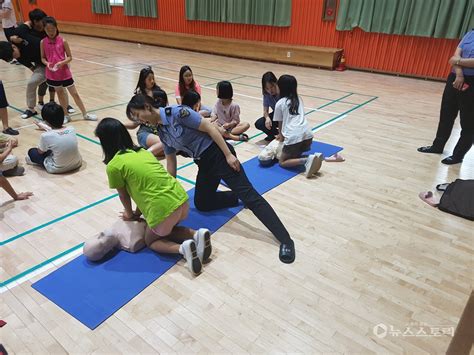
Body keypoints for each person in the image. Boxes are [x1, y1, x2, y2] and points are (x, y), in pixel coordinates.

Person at [126, 91, 296, 263]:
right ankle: (237, 195)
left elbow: (210, 128)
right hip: (204, 163)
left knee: (251, 198)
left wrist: (229, 155)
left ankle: (286, 240)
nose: (140, 121)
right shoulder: (162, 132)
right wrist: (168, 191)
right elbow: (171, 165)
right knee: (202, 203)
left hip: (219, 155)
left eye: (139, 115)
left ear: (147, 107)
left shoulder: (177, 113)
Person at [95, 117, 212, 275]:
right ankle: (197, 234)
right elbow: (144, 189)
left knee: (152, 240)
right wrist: (138, 212)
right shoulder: (143, 152)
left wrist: (130, 214)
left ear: (105, 142)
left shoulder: (114, 165)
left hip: (163, 209)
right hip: (181, 200)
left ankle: (183, 249)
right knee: (167, 228)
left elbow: (124, 196)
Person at [417, 29, 474, 165]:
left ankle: (458, 156)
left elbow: (456, 59)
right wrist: (459, 73)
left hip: (472, 82)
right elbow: (456, 54)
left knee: (468, 122)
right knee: (446, 114)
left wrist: (458, 61)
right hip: (455, 77)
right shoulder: (470, 33)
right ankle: (437, 146)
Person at [40, 17, 96, 123]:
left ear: (56, 28)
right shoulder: (43, 42)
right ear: (44, 30)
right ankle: (66, 115)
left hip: (64, 73)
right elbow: (42, 58)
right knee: (60, 94)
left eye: (53, 30)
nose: (51, 32)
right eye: (48, 30)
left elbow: (70, 57)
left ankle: (85, 114)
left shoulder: (63, 40)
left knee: (74, 93)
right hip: (52, 74)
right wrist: (47, 63)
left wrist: (62, 63)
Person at [273, 75, 323, 178]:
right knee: (294, 154)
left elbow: (280, 124)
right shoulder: (298, 99)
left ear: (281, 88)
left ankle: (307, 160)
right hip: (308, 136)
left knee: (282, 162)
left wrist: (281, 137)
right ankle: (311, 157)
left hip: (294, 138)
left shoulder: (280, 103)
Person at [26, 102, 82, 174]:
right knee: (56, 147)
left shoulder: (45, 136)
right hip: (77, 163)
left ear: (46, 121)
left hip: (57, 168)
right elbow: (57, 133)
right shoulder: (71, 129)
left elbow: (40, 152)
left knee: (32, 152)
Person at [123, 66, 164, 157]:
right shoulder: (139, 99)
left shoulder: (160, 94)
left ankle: (149, 152)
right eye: (149, 79)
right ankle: (144, 155)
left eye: (153, 78)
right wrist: (120, 125)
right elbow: (135, 124)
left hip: (161, 130)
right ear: (143, 80)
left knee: (171, 145)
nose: (152, 81)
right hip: (146, 131)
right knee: (166, 144)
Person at [255, 71, 280, 142]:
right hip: (277, 115)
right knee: (259, 123)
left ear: (276, 83)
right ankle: (274, 135)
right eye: (267, 88)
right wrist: (267, 118)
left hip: (286, 116)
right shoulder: (266, 94)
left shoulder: (282, 91)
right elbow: (265, 111)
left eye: (272, 87)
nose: (270, 91)